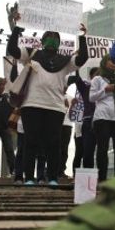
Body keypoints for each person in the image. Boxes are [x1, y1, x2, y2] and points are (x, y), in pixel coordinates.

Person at [7, 15, 88, 185]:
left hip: (55, 107)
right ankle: (29, 178)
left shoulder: (65, 61)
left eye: (55, 38)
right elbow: (13, 50)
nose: (52, 40)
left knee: (53, 143)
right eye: (49, 37)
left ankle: (51, 177)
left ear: (59, 43)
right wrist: (17, 29)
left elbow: (82, 59)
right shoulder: (31, 53)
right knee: (31, 142)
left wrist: (82, 37)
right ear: (42, 41)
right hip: (32, 105)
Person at [89, 55, 115, 181]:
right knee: (102, 149)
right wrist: (104, 90)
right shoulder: (97, 79)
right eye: (111, 60)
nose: (113, 63)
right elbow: (92, 97)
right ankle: (102, 179)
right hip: (102, 117)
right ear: (105, 62)